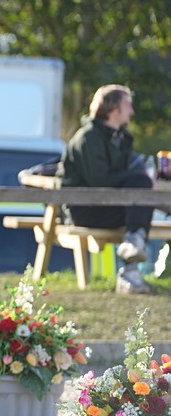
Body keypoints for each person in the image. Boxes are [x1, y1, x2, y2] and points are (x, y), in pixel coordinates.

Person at [58, 84, 154, 294]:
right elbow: (99, 180)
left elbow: (125, 175)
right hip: (84, 209)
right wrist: (138, 178)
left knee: (142, 198)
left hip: (108, 204)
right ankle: (130, 272)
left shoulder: (121, 137)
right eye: (128, 105)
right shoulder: (88, 137)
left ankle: (133, 254)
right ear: (113, 108)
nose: (132, 111)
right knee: (141, 195)